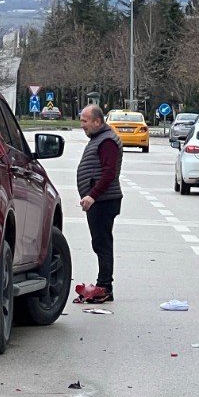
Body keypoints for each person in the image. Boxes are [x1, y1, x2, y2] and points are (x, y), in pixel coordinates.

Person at [74, 104, 123, 304]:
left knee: (102, 244)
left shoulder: (107, 141)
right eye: (81, 121)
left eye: (85, 121)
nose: (82, 125)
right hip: (101, 200)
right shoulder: (100, 139)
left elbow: (109, 173)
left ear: (98, 121)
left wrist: (92, 195)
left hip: (103, 200)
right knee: (100, 243)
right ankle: (103, 284)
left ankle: (104, 287)